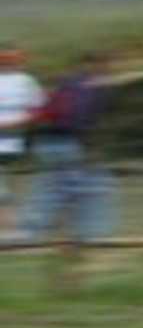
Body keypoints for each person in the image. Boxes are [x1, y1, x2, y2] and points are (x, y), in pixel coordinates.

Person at [19, 50, 114, 242]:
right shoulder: (98, 87)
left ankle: (33, 230)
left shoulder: (64, 81)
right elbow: (90, 120)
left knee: (50, 186)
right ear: (99, 65)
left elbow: (42, 108)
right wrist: (89, 149)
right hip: (69, 142)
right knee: (79, 188)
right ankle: (83, 234)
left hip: (45, 140)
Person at [0, 45, 43, 236]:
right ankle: (10, 226)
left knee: (12, 184)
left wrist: (17, 124)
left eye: (13, 59)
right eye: (4, 59)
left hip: (17, 142)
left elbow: (39, 110)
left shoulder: (27, 82)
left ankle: (14, 226)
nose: (8, 63)